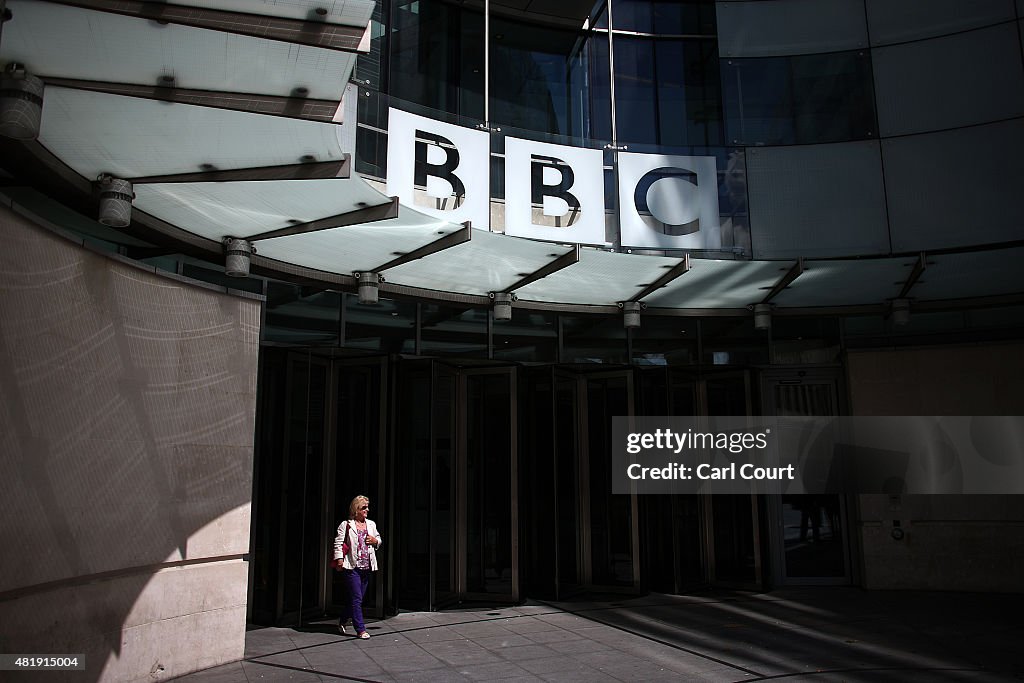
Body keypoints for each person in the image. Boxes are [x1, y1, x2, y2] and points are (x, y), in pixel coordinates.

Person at [332, 495, 381, 639]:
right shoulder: (346, 525)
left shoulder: (371, 524)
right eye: (363, 507)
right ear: (356, 509)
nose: (367, 510)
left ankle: (342, 620)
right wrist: (339, 560)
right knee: (357, 598)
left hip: (366, 567)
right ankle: (360, 629)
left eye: (367, 507)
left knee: (356, 599)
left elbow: (378, 539)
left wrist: (375, 541)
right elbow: (338, 543)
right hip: (352, 567)